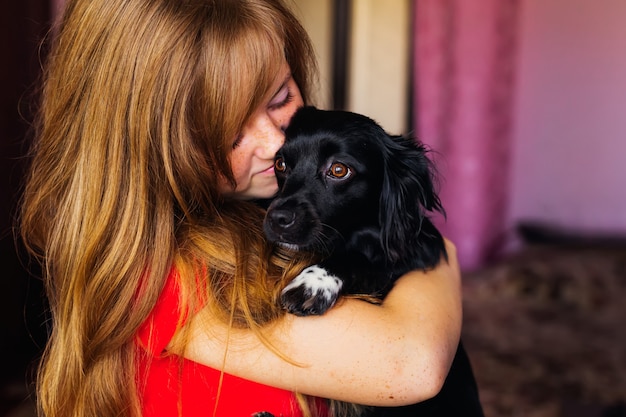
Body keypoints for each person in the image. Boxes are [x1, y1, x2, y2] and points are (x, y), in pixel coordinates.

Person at [19, 0, 463, 416]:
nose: (276, 146)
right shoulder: (151, 278)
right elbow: (411, 365)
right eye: (231, 137)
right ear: (150, 154)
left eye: (279, 97)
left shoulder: (258, 202)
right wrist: (440, 256)